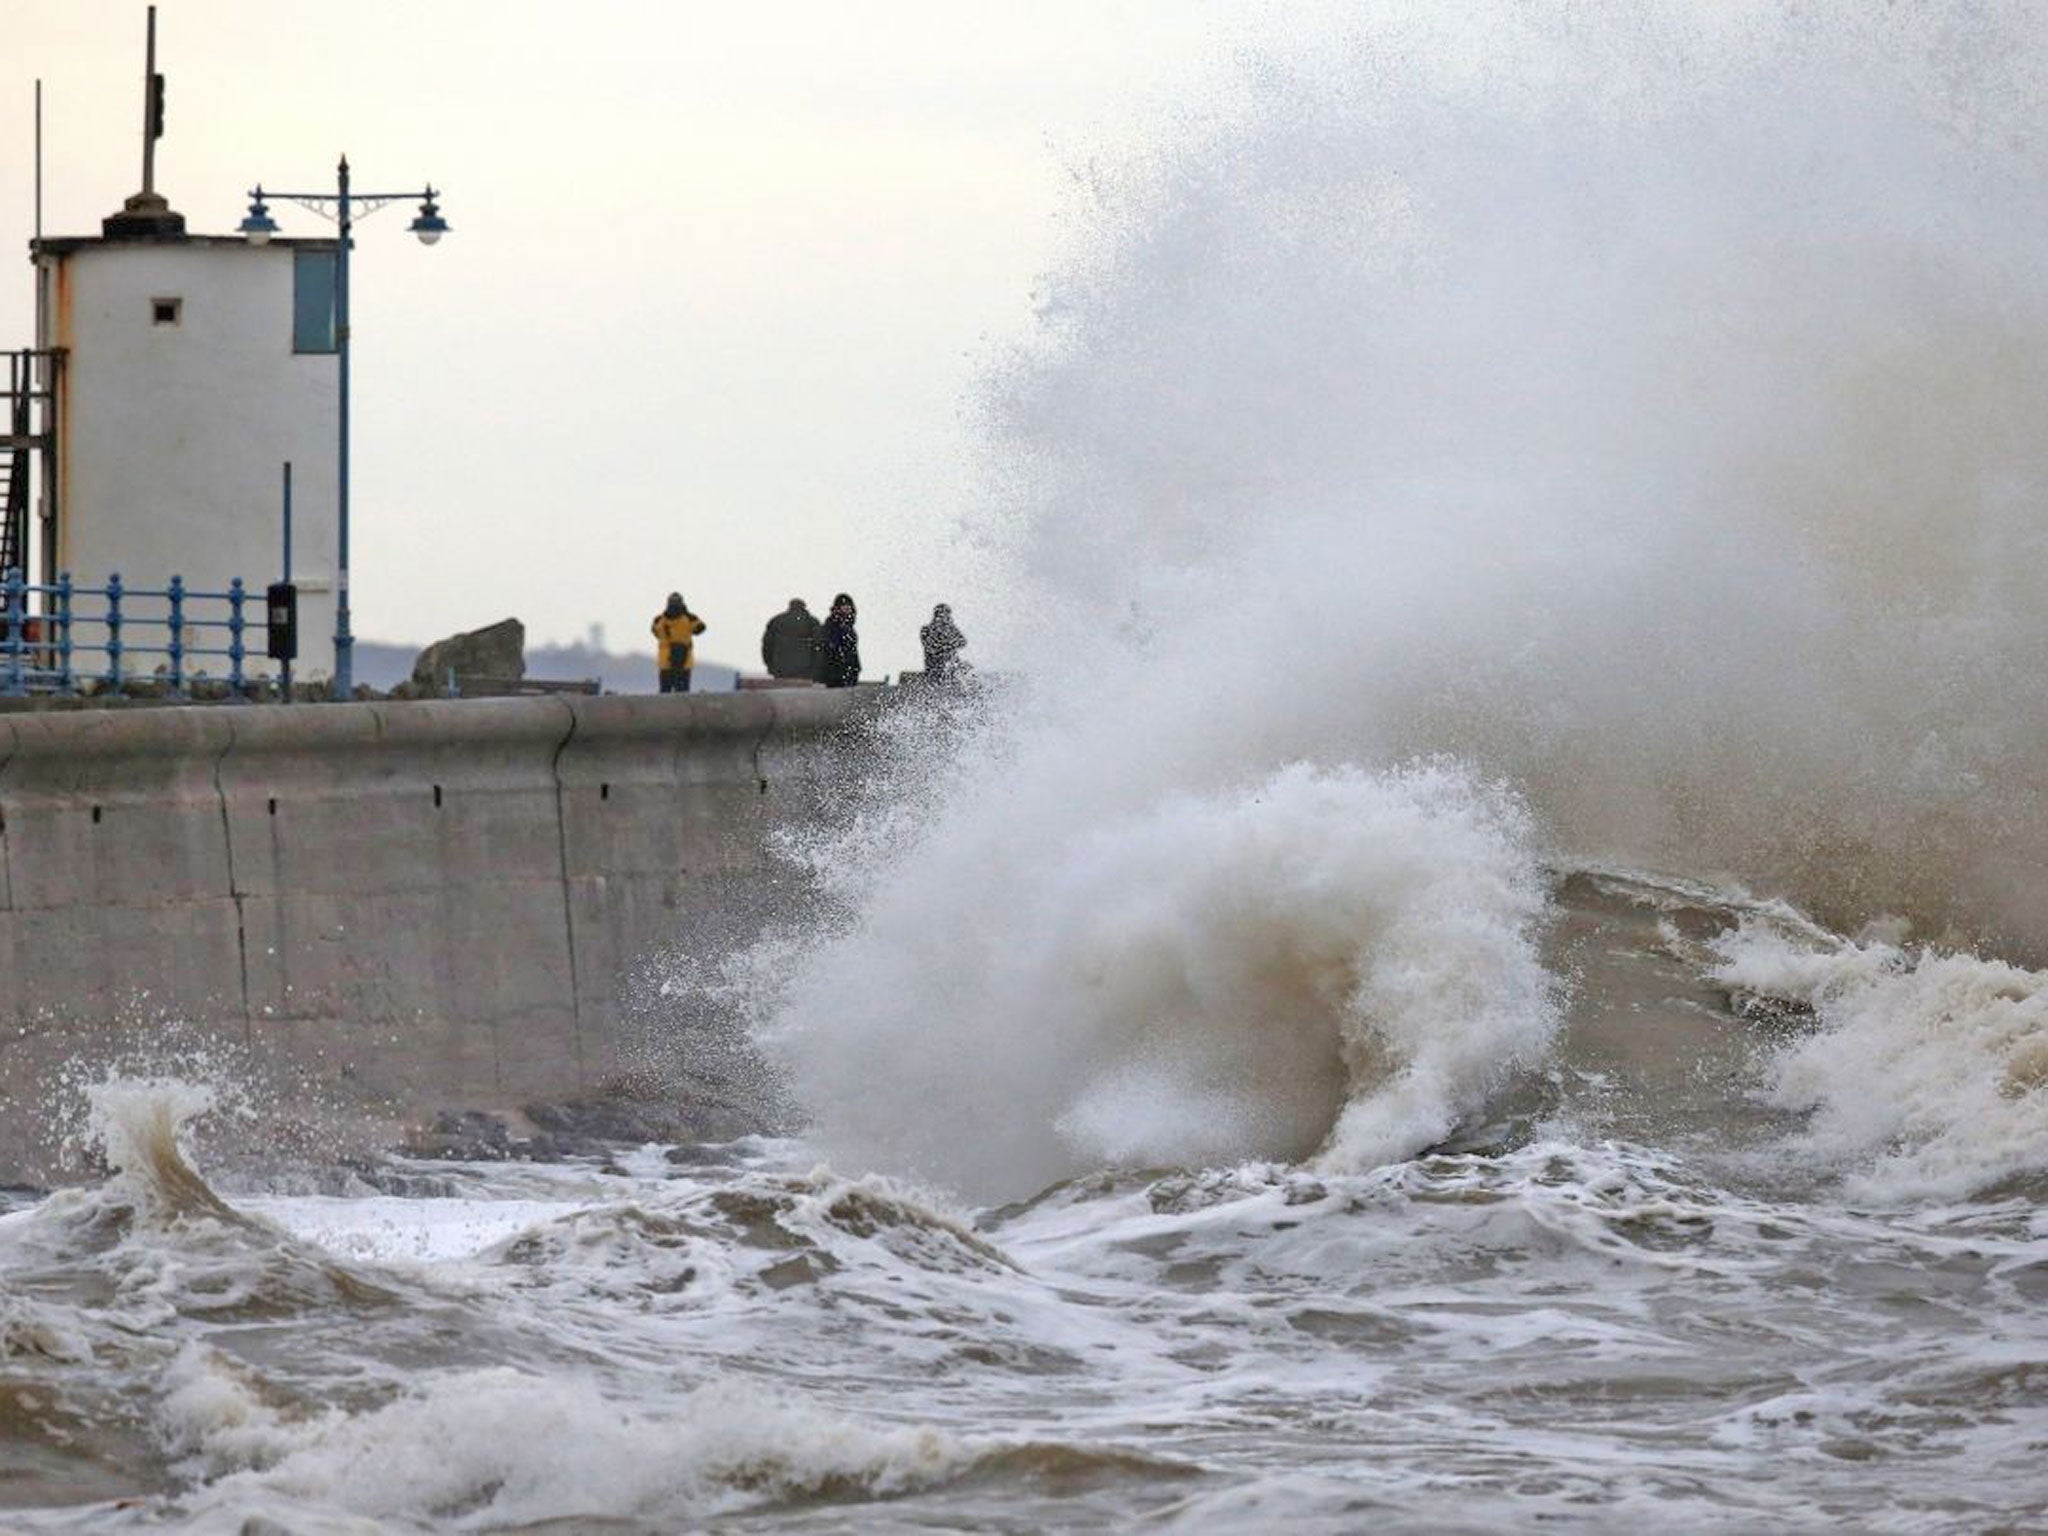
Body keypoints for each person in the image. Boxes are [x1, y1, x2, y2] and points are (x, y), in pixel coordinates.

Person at [650, 592, 707, 693]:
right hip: (684, 662)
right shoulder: (689, 619)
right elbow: (701, 628)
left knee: (665, 692)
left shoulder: (659, 620)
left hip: (665, 662)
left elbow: (655, 632)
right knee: (683, 693)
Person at [760, 598, 822, 680]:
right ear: (804, 607)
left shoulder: (776, 621)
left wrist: (771, 666)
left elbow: (767, 646)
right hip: (805, 672)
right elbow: (820, 647)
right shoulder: (812, 622)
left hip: (780, 670)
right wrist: (816, 669)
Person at [817, 593, 861, 688]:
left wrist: (855, 669)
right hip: (836, 675)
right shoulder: (832, 626)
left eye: (849, 607)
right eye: (845, 607)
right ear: (838, 609)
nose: (848, 610)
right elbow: (830, 650)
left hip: (846, 674)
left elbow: (852, 652)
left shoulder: (848, 627)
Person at [919, 603, 966, 680]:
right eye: (944, 615)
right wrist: (949, 644)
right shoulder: (926, 630)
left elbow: (962, 642)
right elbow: (931, 647)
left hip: (952, 664)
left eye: (947, 615)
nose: (947, 617)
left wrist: (950, 642)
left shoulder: (951, 629)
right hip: (934, 666)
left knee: (967, 669)